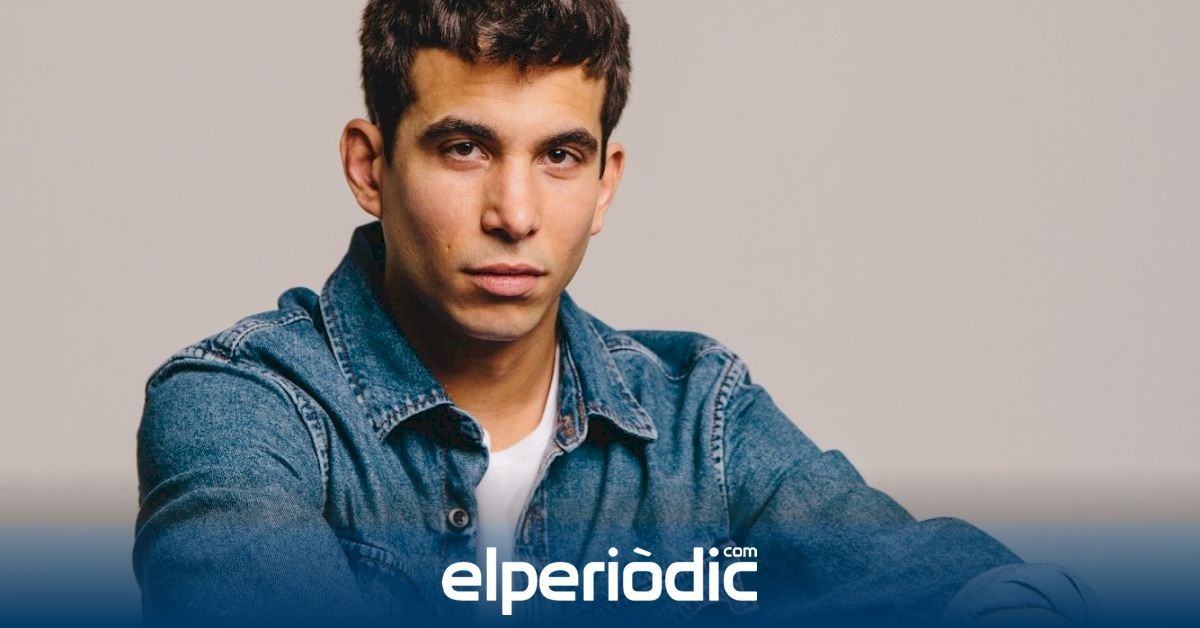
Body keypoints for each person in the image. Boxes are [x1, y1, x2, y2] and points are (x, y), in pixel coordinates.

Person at [133, 1, 1095, 626]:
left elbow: (959, 588)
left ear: (604, 184)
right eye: (465, 148)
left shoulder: (697, 415)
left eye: (560, 156)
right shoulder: (241, 407)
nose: (515, 214)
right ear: (369, 166)